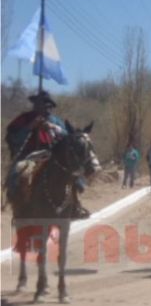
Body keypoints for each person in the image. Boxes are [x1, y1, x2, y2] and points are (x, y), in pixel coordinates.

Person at [4, 91, 90, 219]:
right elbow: (13, 136)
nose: (44, 107)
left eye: (46, 104)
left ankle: (75, 205)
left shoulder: (56, 121)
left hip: (52, 153)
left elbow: (69, 138)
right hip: (30, 155)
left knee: (72, 172)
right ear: (35, 104)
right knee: (20, 172)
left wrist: (53, 127)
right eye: (40, 103)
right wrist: (31, 126)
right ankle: (20, 207)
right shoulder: (25, 118)